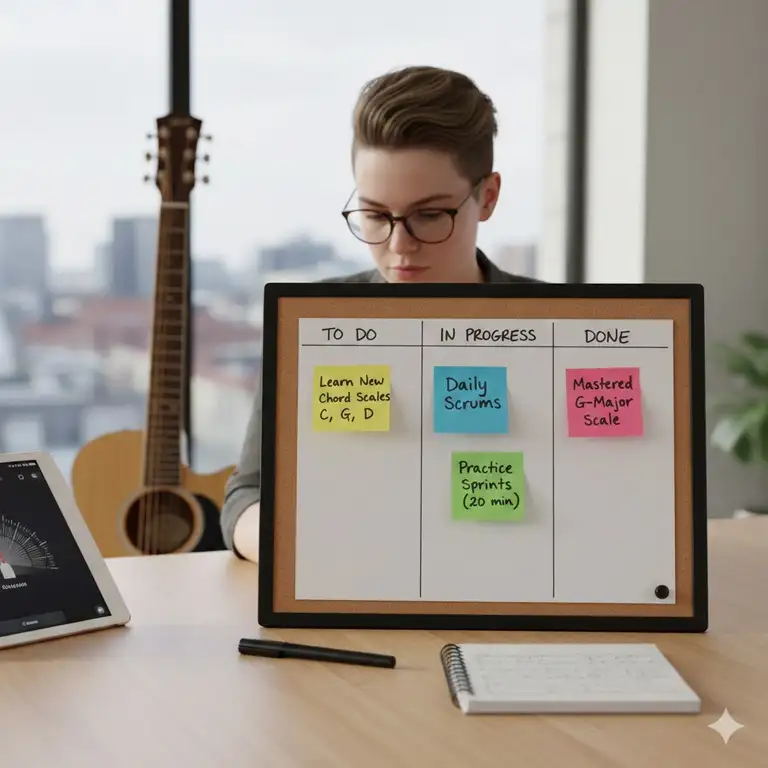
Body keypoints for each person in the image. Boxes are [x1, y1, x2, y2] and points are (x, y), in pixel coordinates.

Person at [220, 64, 539, 562]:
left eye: (429, 215)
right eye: (374, 215)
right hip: (352, 595)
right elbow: (249, 493)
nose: (398, 246)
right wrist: (295, 548)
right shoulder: (310, 326)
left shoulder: (561, 329)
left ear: (488, 197)